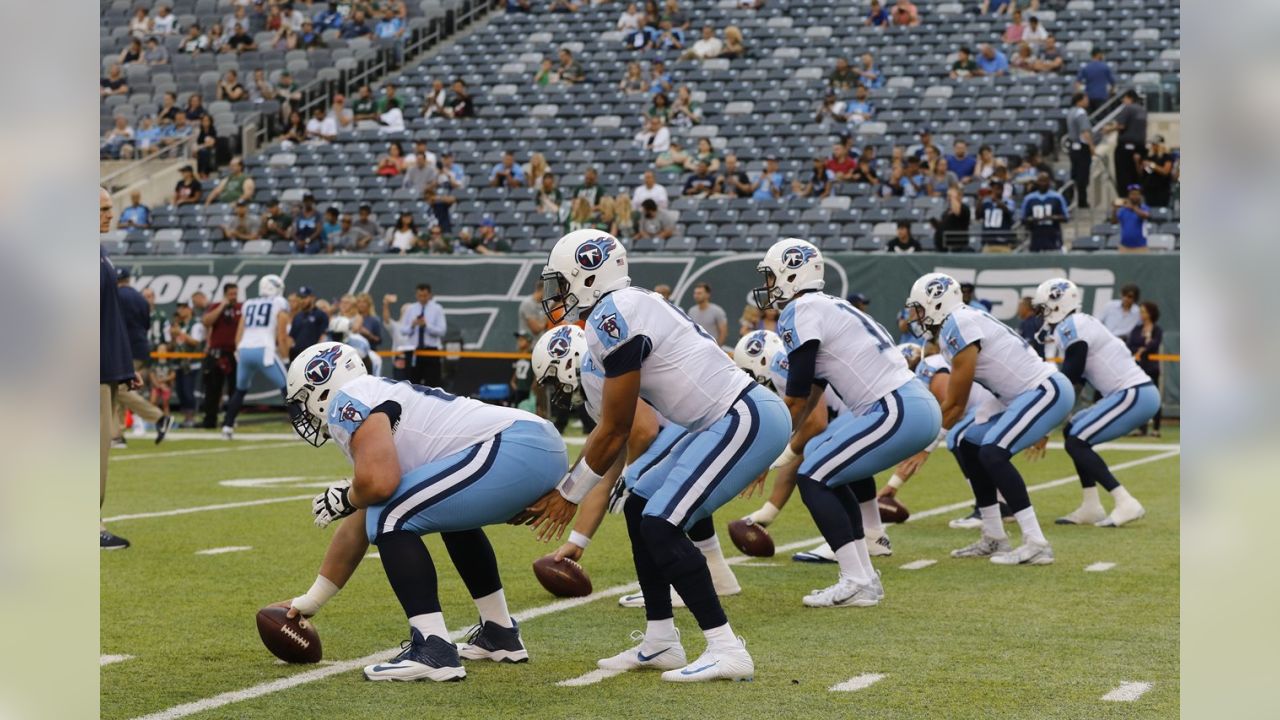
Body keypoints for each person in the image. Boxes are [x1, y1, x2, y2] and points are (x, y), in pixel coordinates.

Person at [529, 230, 789, 682]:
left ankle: (725, 647)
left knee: (661, 522)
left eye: (562, 282)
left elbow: (619, 428)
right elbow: (616, 434)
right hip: (717, 420)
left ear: (589, 275)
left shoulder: (613, 314)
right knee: (640, 503)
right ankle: (661, 640)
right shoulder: (617, 312)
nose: (556, 295)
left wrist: (568, 494)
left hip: (741, 414)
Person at [280, 342, 567, 681]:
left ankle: (432, 647)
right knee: (441, 517)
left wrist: (348, 495)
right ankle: (499, 632)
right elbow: (362, 516)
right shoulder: (374, 396)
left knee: (389, 517)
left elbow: (379, 487)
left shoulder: (349, 400)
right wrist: (311, 600)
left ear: (320, 387)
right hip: (536, 445)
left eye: (303, 400)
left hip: (513, 445)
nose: (305, 413)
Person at [750, 239, 939, 601]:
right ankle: (863, 576)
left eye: (773, 276)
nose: (770, 285)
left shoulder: (801, 310)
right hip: (907, 404)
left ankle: (856, 580)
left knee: (814, 477)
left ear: (792, 274)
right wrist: (787, 451)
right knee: (830, 475)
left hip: (895, 407)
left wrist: (762, 453)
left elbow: (795, 397)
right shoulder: (827, 306)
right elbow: (814, 393)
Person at [530, 326, 742, 607]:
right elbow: (602, 470)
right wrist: (578, 541)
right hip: (704, 420)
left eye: (554, 380)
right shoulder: (600, 376)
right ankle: (718, 574)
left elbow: (645, 429)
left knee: (642, 492)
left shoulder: (598, 371)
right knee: (660, 487)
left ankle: (669, 585)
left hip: (695, 421)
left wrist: (631, 473)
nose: (556, 390)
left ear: (568, 363)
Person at [905, 273, 1074, 565]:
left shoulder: (958, 323)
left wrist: (925, 447)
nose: (914, 315)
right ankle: (994, 535)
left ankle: (1036, 542)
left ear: (936, 302)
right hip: (1019, 395)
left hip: (1043, 389)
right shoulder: (956, 323)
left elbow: (956, 404)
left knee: (993, 452)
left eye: (918, 307)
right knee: (966, 442)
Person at [1029, 279, 1154, 529]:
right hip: (1128, 393)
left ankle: (1124, 500)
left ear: (1057, 304)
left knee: (1077, 440)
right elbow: (1077, 381)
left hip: (1133, 392)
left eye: (1044, 307)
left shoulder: (1072, 326)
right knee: (1072, 431)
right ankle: (1091, 506)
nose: (1041, 313)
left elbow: (1070, 380)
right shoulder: (1079, 323)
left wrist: (1044, 427)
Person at [100, 191, 136, 549]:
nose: (111, 214)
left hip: (106, 367)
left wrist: (124, 364)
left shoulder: (100, 253)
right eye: (104, 209)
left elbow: (109, 319)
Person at [220, 275, 292, 439]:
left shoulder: (249, 303)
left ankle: (227, 426)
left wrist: (239, 351)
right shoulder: (279, 303)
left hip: (245, 350)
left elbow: (239, 333)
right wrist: (286, 358)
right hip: (264, 350)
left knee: (240, 390)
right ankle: (300, 427)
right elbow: (281, 335)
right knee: (288, 388)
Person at [113, 267, 174, 446]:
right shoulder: (141, 298)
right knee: (118, 390)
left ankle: (159, 418)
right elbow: (146, 324)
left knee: (119, 389)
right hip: (141, 347)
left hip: (124, 348)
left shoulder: (116, 296)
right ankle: (117, 434)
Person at [201, 283, 242, 429]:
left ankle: (229, 419)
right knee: (212, 389)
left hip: (234, 353)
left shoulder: (240, 308)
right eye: (231, 294)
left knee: (234, 388)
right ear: (225, 294)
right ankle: (210, 420)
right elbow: (206, 322)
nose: (233, 297)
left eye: (235, 294)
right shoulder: (216, 306)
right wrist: (221, 306)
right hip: (216, 352)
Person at [1127, 301, 1164, 438]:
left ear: (1150, 313)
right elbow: (1130, 345)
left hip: (1152, 368)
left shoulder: (1156, 329)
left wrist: (1145, 348)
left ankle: (1156, 428)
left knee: (1155, 397)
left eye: (1144, 311)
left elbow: (1154, 345)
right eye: (1141, 311)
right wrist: (1140, 349)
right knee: (1141, 397)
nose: (1142, 314)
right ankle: (1142, 428)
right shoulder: (1137, 329)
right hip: (1138, 369)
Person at [399, 284, 446, 387]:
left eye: (425, 295)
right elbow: (402, 330)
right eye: (420, 295)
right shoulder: (410, 309)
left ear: (429, 295)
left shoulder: (437, 309)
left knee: (433, 384)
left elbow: (442, 330)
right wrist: (412, 325)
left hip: (431, 351)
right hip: (414, 351)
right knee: (412, 384)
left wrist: (427, 326)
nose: (422, 298)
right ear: (416, 295)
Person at [1104, 90, 1148, 195]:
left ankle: (1125, 199)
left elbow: (1121, 125)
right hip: (1140, 148)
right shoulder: (1143, 110)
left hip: (1125, 148)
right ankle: (1136, 198)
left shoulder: (1128, 108)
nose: (1123, 101)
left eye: (1124, 98)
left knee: (1123, 176)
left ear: (1130, 98)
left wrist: (1108, 129)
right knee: (1136, 176)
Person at [1020, 172, 1069, 252]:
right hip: (1035, 235)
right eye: (1041, 181)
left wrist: (1051, 217)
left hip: (1053, 235)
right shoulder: (1029, 198)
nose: (1043, 184)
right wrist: (1034, 219)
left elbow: (1065, 217)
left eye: (1045, 181)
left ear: (1049, 182)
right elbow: (1023, 219)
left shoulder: (1057, 197)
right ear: (1037, 182)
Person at [1065, 93, 1095, 209]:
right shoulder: (1080, 112)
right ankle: (1082, 201)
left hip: (1073, 147)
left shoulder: (1071, 111)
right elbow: (1085, 132)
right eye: (1086, 98)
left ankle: (1070, 198)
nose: (1087, 100)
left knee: (1075, 174)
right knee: (1082, 175)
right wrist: (1091, 146)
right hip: (1081, 147)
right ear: (1079, 100)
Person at [289, 287, 329, 362]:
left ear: (312, 298)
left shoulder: (321, 315)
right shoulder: (298, 316)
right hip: (296, 355)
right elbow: (292, 338)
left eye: (304, 297)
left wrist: (317, 355)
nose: (302, 300)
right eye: (300, 297)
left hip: (312, 356)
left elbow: (323, 337)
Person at [1111, 184, 1151, 253]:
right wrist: (1114, 211)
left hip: (1141, 247)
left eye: (1136, 194)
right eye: (1132, 194)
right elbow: (1114, 222)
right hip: (1124, 247)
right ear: (1128, 196)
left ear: (1140, 196)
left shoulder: (1144, 208)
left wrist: (1133, 208)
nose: (1134, 196)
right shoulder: (1123, 210)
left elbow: (1146, 216)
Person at [1142, 135, 1176, 208]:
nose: (1153, 146)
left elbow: (1165, 172)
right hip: (1149, 189)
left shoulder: (1166, 157)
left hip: (1161, 189)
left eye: (1155, 144)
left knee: (1160, 211)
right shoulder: (1148, 156)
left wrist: (1152, 165)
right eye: (1152, 144)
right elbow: (1143, 172)